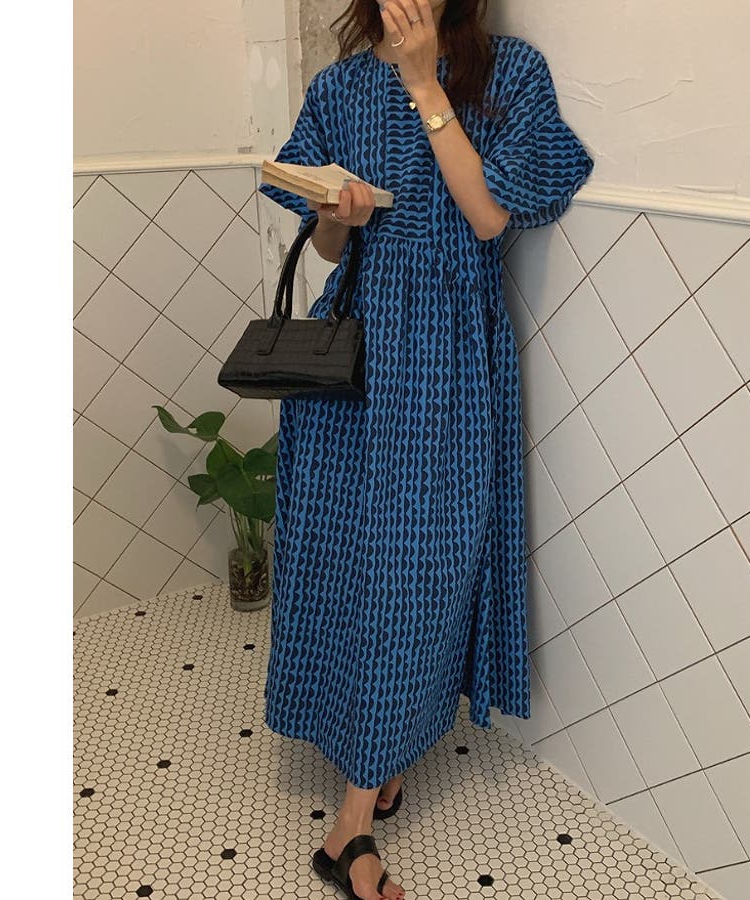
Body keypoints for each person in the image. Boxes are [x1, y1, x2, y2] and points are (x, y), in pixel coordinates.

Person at [258, 1, 594, 897]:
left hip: (445, 352)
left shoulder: (507, 73)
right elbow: (329, 247)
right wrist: (338, 212)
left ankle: (355, 813)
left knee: (417, 569)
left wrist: (422, 80)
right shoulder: (337, 87)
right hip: (352, 353)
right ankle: (364, 788)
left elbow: (487, 217)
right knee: (342, 560)